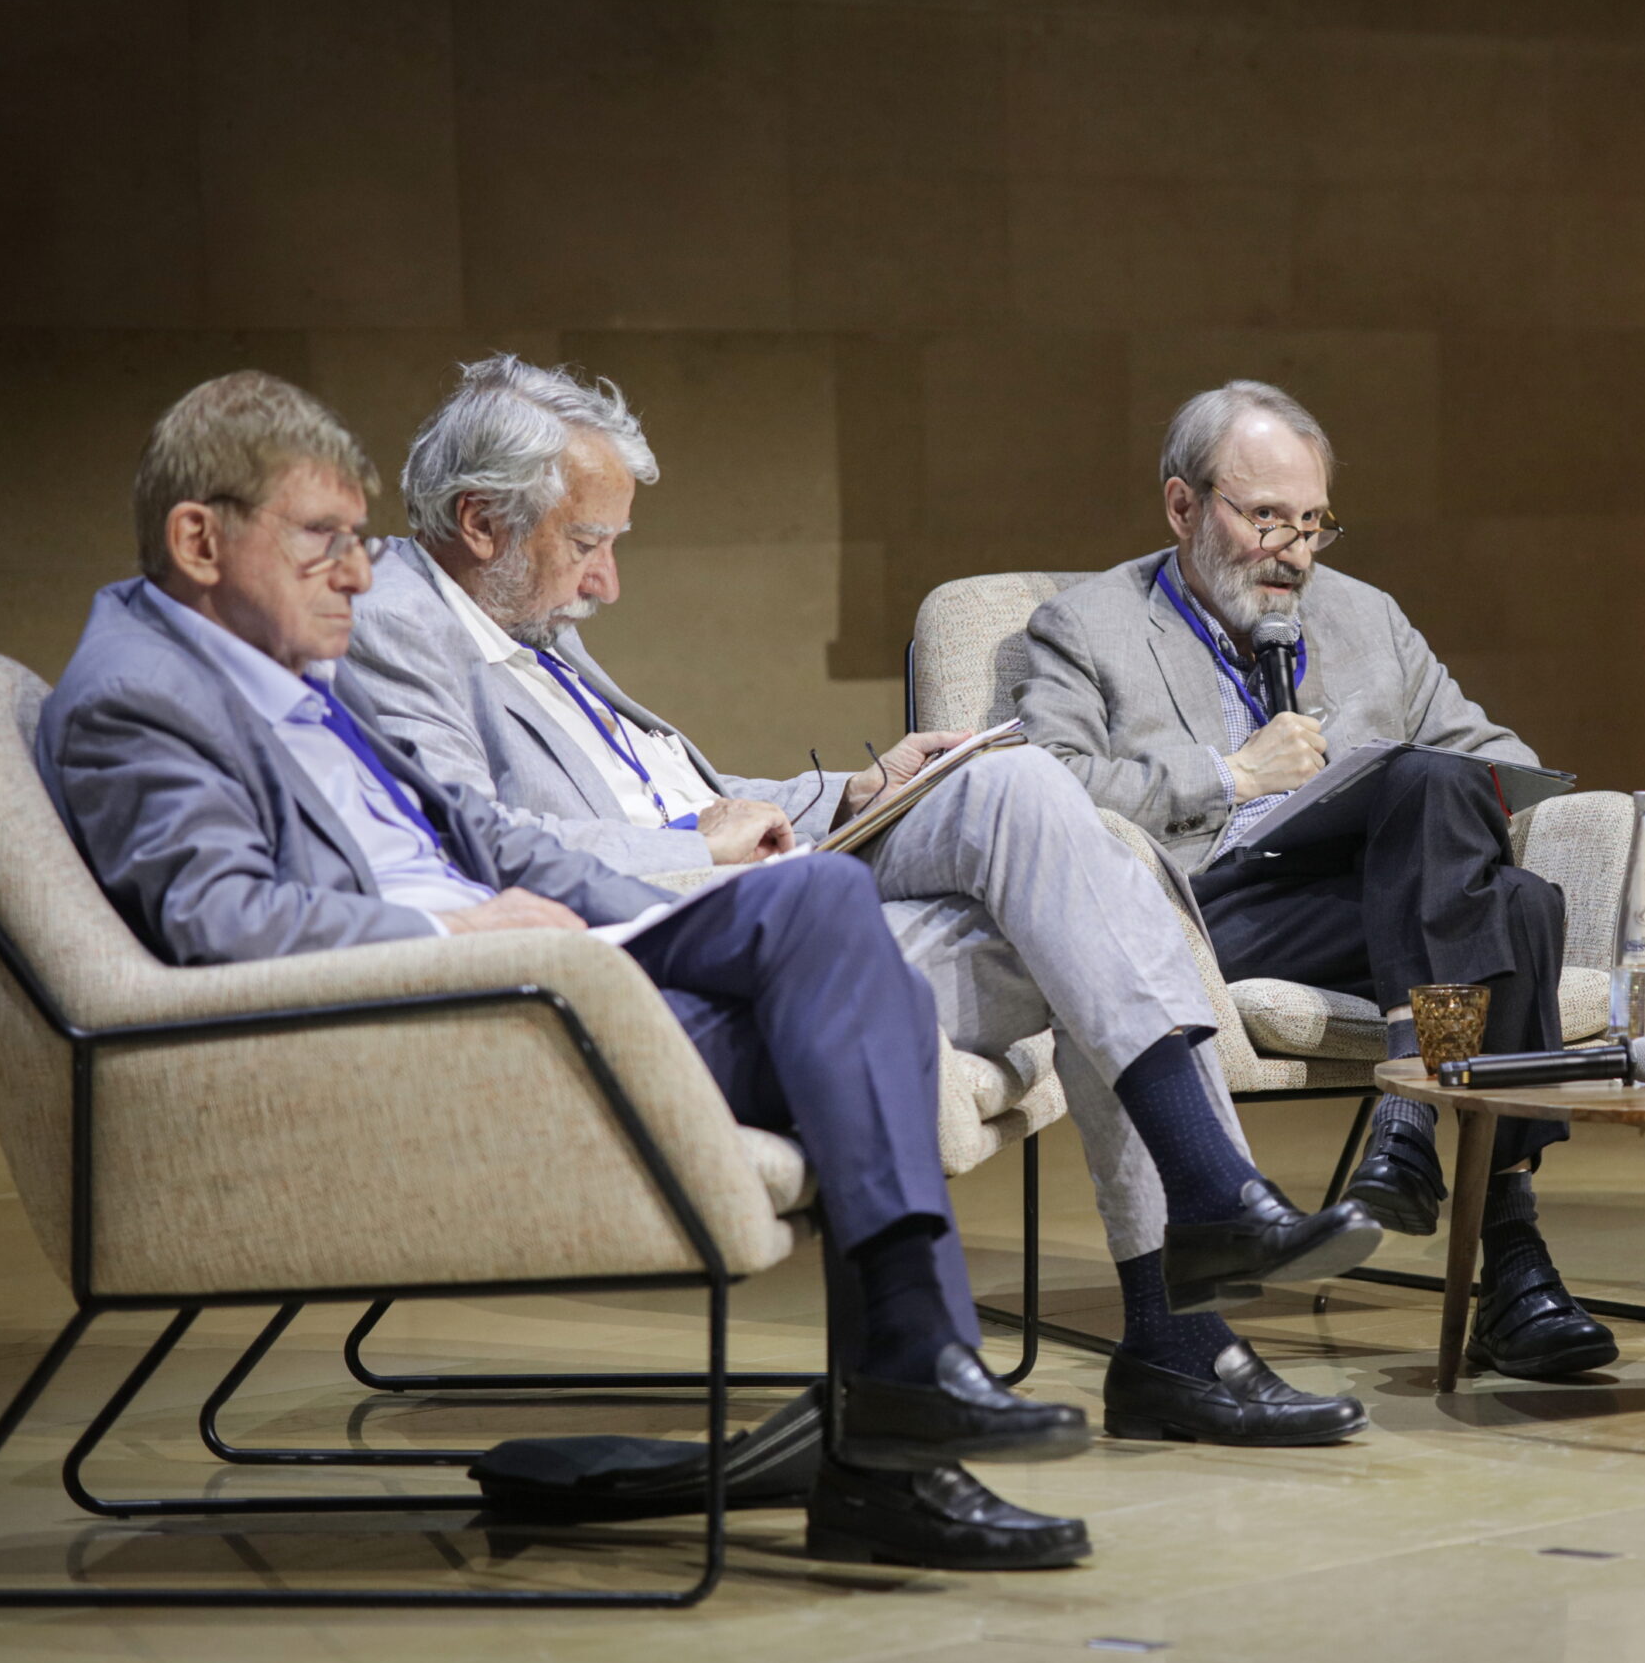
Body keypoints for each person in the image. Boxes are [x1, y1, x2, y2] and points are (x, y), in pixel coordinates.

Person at [33, 371, 1108, 1569]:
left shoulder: (280, 666)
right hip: (447, 1019)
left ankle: (905, 1396)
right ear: (199, 540)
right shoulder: (138, 697)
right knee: (873, 1006)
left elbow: (490, 837)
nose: (358, 574)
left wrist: (684, 904)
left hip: (549, 964)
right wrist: (452, 938)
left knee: (817, 909)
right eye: (324, 541)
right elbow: (216, 917)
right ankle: (899, 1427)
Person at [345, 356, 1378, 1448]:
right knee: (1101, 900)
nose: (606, 582)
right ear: (480, 522)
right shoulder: (399, 625)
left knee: (1021, 785)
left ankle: (1205, 1230)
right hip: (682, 947)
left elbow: (688, 795)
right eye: (590, 543)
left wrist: (854, 788)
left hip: (761, 880)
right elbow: (475, 846)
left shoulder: (529, 617)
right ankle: (1186, 1313)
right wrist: (690, 844)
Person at [1018, 380, 1620, 1381]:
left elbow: (1493, 755)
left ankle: (1417, 1133)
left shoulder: (1366, 617)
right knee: (1511, 910)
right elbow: (1043, 788)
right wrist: (1232, 775)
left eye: (1313, 522)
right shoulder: (1086, 627)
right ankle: (1508, 1254)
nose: (1294, 551)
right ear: (1182, 505)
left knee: (1487, 862)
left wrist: (1392, 793)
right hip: (1209, 912)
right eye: (1265, 517)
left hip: (1377, 908)